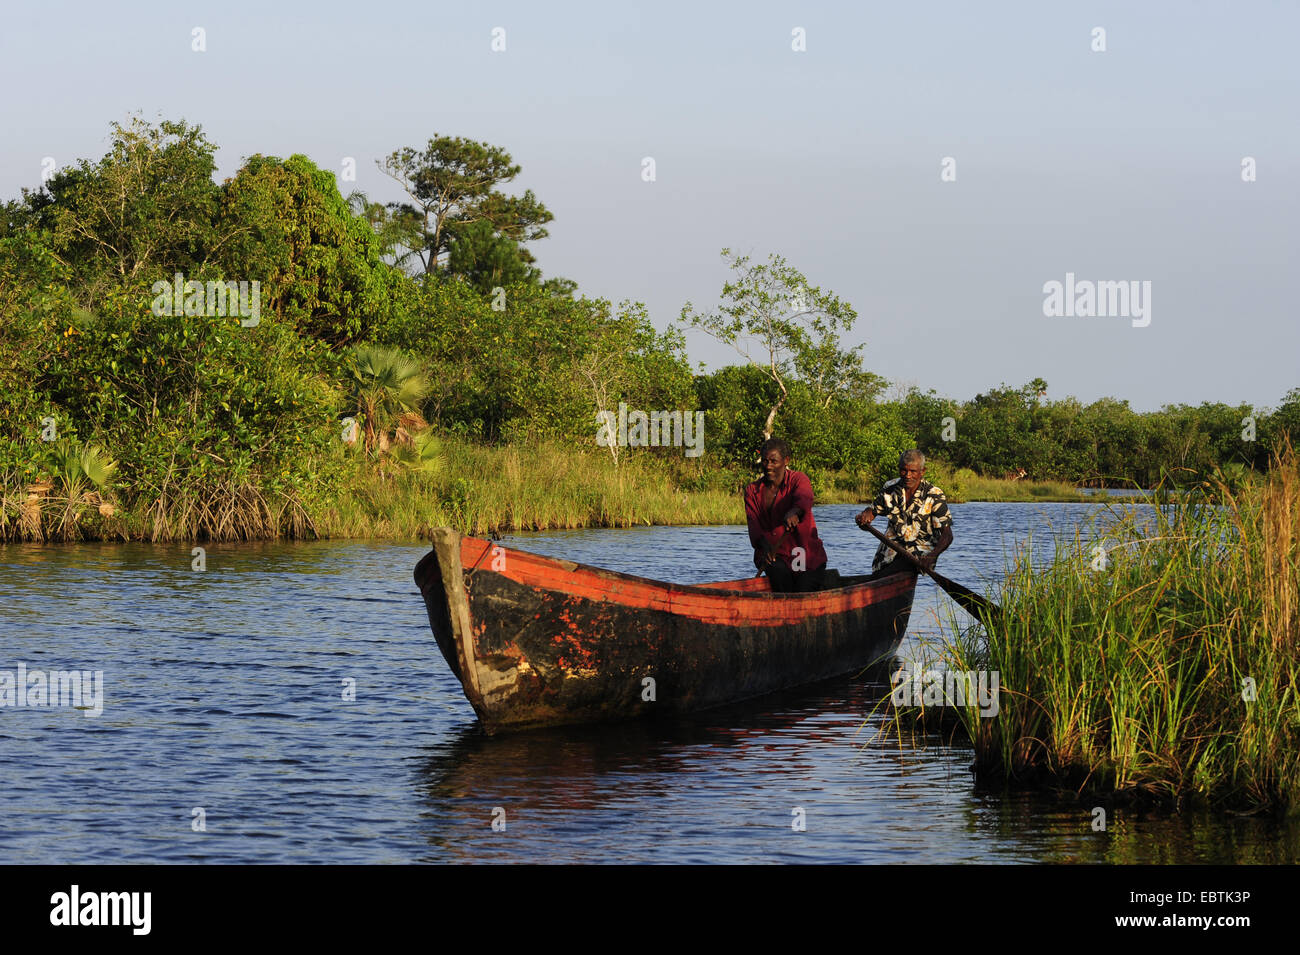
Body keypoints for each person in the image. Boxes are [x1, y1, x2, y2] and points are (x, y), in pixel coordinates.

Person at [744, 438, 828, 592]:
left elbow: (804, 499)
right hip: (774, 554)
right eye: (765, 461)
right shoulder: (752, 490)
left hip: (802, 553)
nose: (768, 466)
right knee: (778, 571)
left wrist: (795, 512)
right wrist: (765, 547)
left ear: (786, 461)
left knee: (802, 587)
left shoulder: (798, 479)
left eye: (773, 461)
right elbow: (753, 524)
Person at [855, 449, 953, 578]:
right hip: (891, 547)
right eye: (903, 470)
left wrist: (932, 556)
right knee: (880, 574)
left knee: (902, 567)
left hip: (920, 553)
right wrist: (864, 517)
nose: (907, 475)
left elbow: (947, 535)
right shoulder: (890, 488)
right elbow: (872, 511)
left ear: (922, 472)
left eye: (913, 471)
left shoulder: (934, 495)